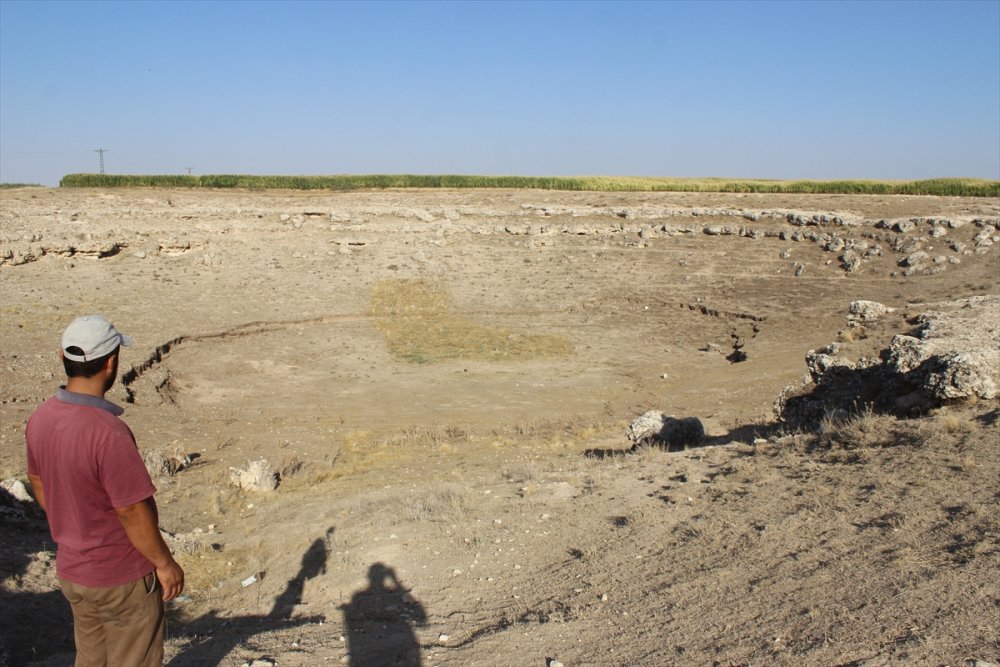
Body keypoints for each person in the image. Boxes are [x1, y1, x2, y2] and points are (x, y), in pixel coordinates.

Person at [25, 315, 184, 667]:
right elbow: (131, 510)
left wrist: (75, 525)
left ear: (63, 357)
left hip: (74, 573)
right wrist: (165, 563)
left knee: (91, 658)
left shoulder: (41, 418)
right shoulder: (108, 433)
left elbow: (37, 480)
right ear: (111, 363)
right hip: (121, 576)